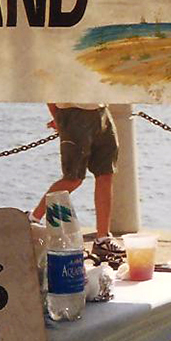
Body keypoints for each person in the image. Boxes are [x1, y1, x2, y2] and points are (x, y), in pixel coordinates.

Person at [33, 103, 121, 255]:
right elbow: (48, 88)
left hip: (101, 110)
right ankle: (33, 219)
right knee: (73, 179)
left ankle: (103, 238)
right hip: (73, 114)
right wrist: (59, 118)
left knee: (105, 175)